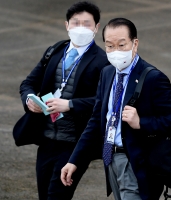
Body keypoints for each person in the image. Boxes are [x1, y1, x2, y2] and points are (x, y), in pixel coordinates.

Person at [60, 18, 171, 200]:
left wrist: (141, 123)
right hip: (110, 160)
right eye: (110, 46)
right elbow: (97, 120)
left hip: (137, 164)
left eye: (121, 45)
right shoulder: (107, 73)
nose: (116, 52)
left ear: (134, 44)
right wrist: (75, 160)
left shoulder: (153, 78)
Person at [18, 1, 109, 199]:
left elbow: (106, 101)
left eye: (87, 23)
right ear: (67, 25)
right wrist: (29, 100)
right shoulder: (55, 51)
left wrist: (70, 105)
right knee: (44, 195)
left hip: (75, 145)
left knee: (57, 196)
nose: (80, 28)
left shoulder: (103, 61)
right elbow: (28, 84)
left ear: (96, 27)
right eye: (75, 23)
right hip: (47, 139)